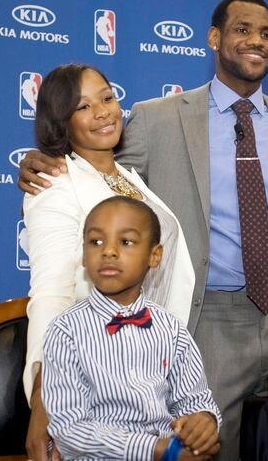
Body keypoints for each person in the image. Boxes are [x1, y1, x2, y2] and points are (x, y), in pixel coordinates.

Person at [18, 0, 268, 460]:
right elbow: (87, 195)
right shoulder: (155, 119)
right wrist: (49, 160)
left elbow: (114, 179)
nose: (256, 40)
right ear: (215, 38)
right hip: (207, 321)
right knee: (203, 451)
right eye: (242, 29)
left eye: (267, 33)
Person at [23, 63, 195, 460]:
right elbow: (52, 295)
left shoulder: (127, 178)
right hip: (95, 383)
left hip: (151, 377)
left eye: (107, 97)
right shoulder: (54, 186)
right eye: (82, 107)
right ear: (60, 121)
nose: (103, 112)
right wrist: (44, 398)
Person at [42, 196, 220, 460]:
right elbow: (69, 431)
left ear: (154, 255)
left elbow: (195, 400)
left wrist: (203, 421)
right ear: (82, 254)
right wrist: (155, 450)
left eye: (126, 242)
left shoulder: (172, 330)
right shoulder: (66, 330)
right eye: (96, 242)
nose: (108, 251)